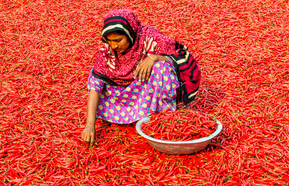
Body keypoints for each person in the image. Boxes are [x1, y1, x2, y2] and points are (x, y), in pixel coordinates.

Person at [82, 9, 201, 147]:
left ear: (130, 33)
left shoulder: (150, 38)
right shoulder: (108, 51)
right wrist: (90, 125)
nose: (114, 46)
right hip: (120, 97)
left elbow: (182, 56)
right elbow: (96, 87)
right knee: (96, 73)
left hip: (145, 91)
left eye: (118, 40)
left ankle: (161, 117)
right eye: (109, 41)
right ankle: (132, 115)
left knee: (162, 67)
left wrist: (154, 58)